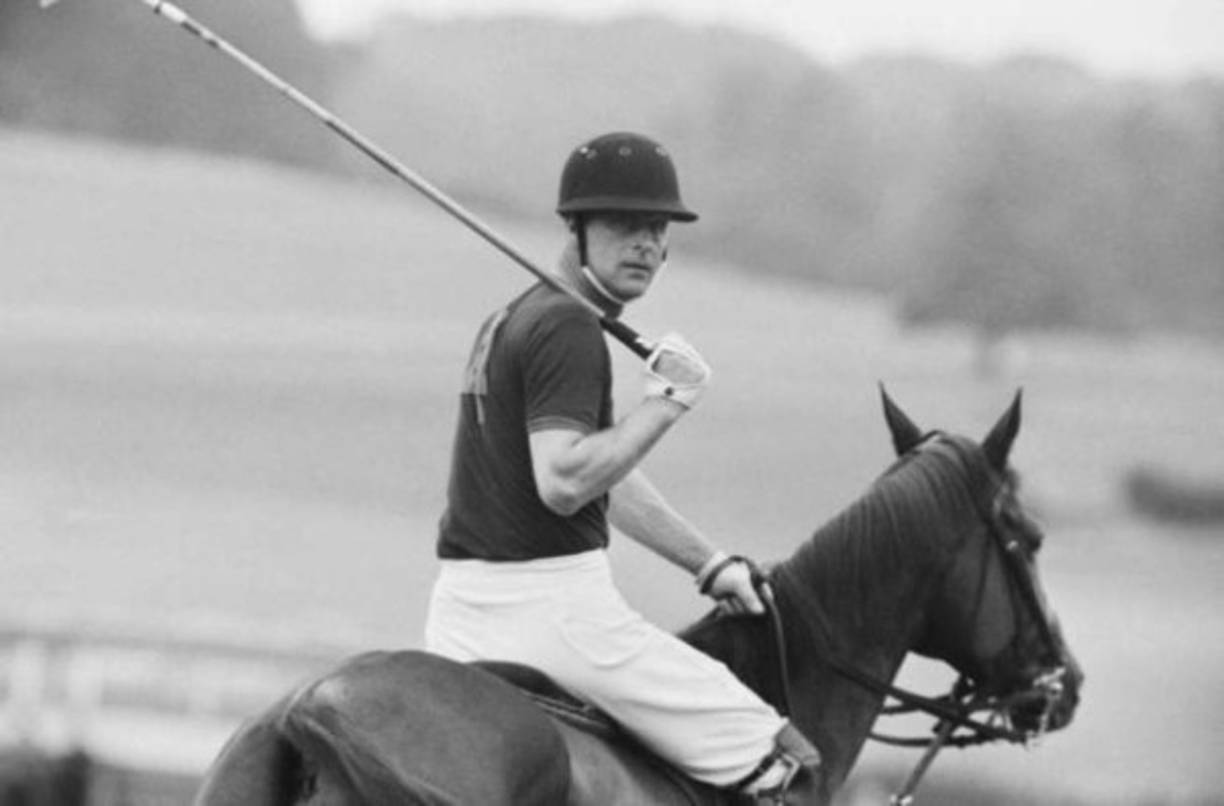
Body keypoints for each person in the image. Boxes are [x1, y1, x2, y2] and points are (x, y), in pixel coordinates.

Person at [424, 131, 819, 801]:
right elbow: (565, 481)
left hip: (459, 614)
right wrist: (666, 404)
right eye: (624, 224)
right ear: (575, 228)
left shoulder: (513, 317)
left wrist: (706, 561)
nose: (646, 244)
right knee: (784, 758)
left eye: (658, 228)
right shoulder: (568, 328)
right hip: (555, 616)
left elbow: (601, 473)